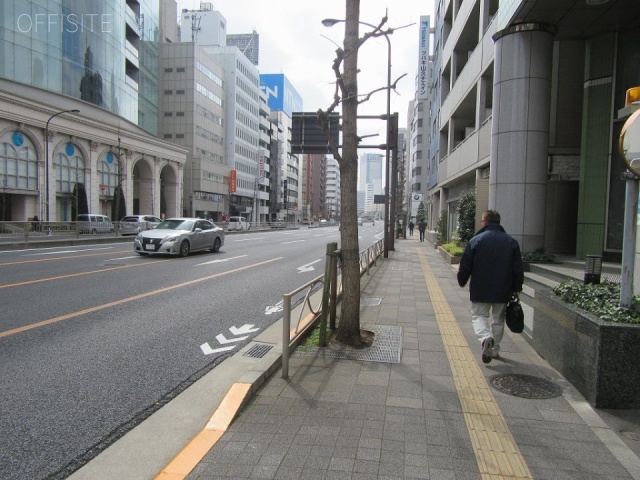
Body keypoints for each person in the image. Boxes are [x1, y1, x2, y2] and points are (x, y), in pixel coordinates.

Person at [457, 210, 524, 364]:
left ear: (485, 222)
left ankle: (486, 338)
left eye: (481, 221)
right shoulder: (511, 242)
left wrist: (462, 280)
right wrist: (517, 287)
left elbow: (466, 264)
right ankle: (494, 350)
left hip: (481, 288)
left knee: (479, 315)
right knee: (499, 319)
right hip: (503, 288)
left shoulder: (476, 240)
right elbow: (517, 268)